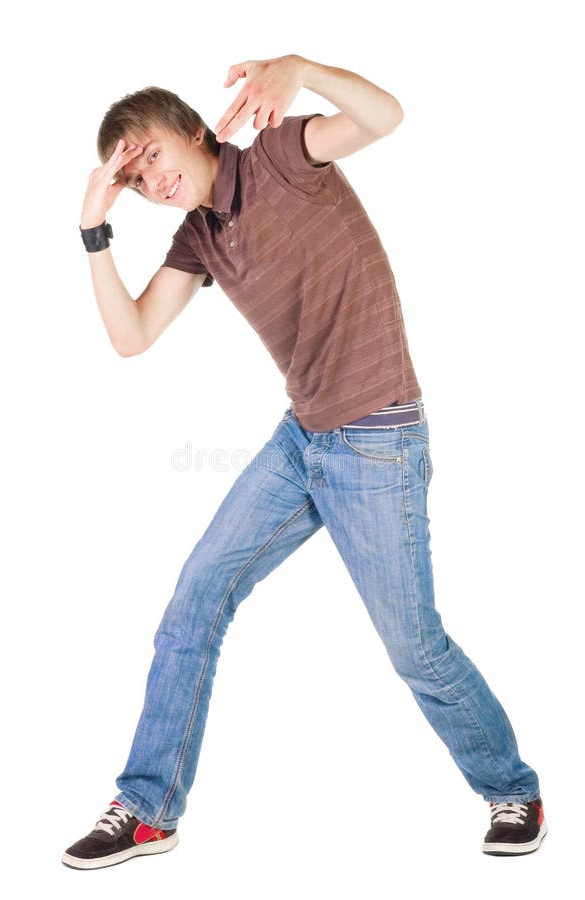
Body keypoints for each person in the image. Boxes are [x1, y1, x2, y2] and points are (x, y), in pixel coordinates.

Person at [62, 54, 546, 869]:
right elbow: (131, 336)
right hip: (305, 440)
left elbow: (386, 115)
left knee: (413, 646)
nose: (149, 178)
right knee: (194, 604)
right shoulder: (200, 237)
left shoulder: (282, 153)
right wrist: (92, 230)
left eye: (150, 154)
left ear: (191, 130)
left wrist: (302, 68)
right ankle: (148, 810)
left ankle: (512, 787)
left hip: (379, 436)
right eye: (134, 179)